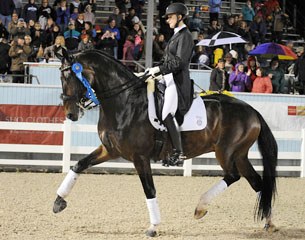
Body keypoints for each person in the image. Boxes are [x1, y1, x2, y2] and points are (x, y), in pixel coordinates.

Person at [144, 3, 193, 166]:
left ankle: (178, 153)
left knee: (166, 114)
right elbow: (167, 59)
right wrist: (153, 70)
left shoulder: (185, 36)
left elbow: (179, 62)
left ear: (180, 17)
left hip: (177, 82)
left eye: (170, 17)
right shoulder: (176, 35)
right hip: (167, 79)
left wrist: (159, 69)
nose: (168, 20)